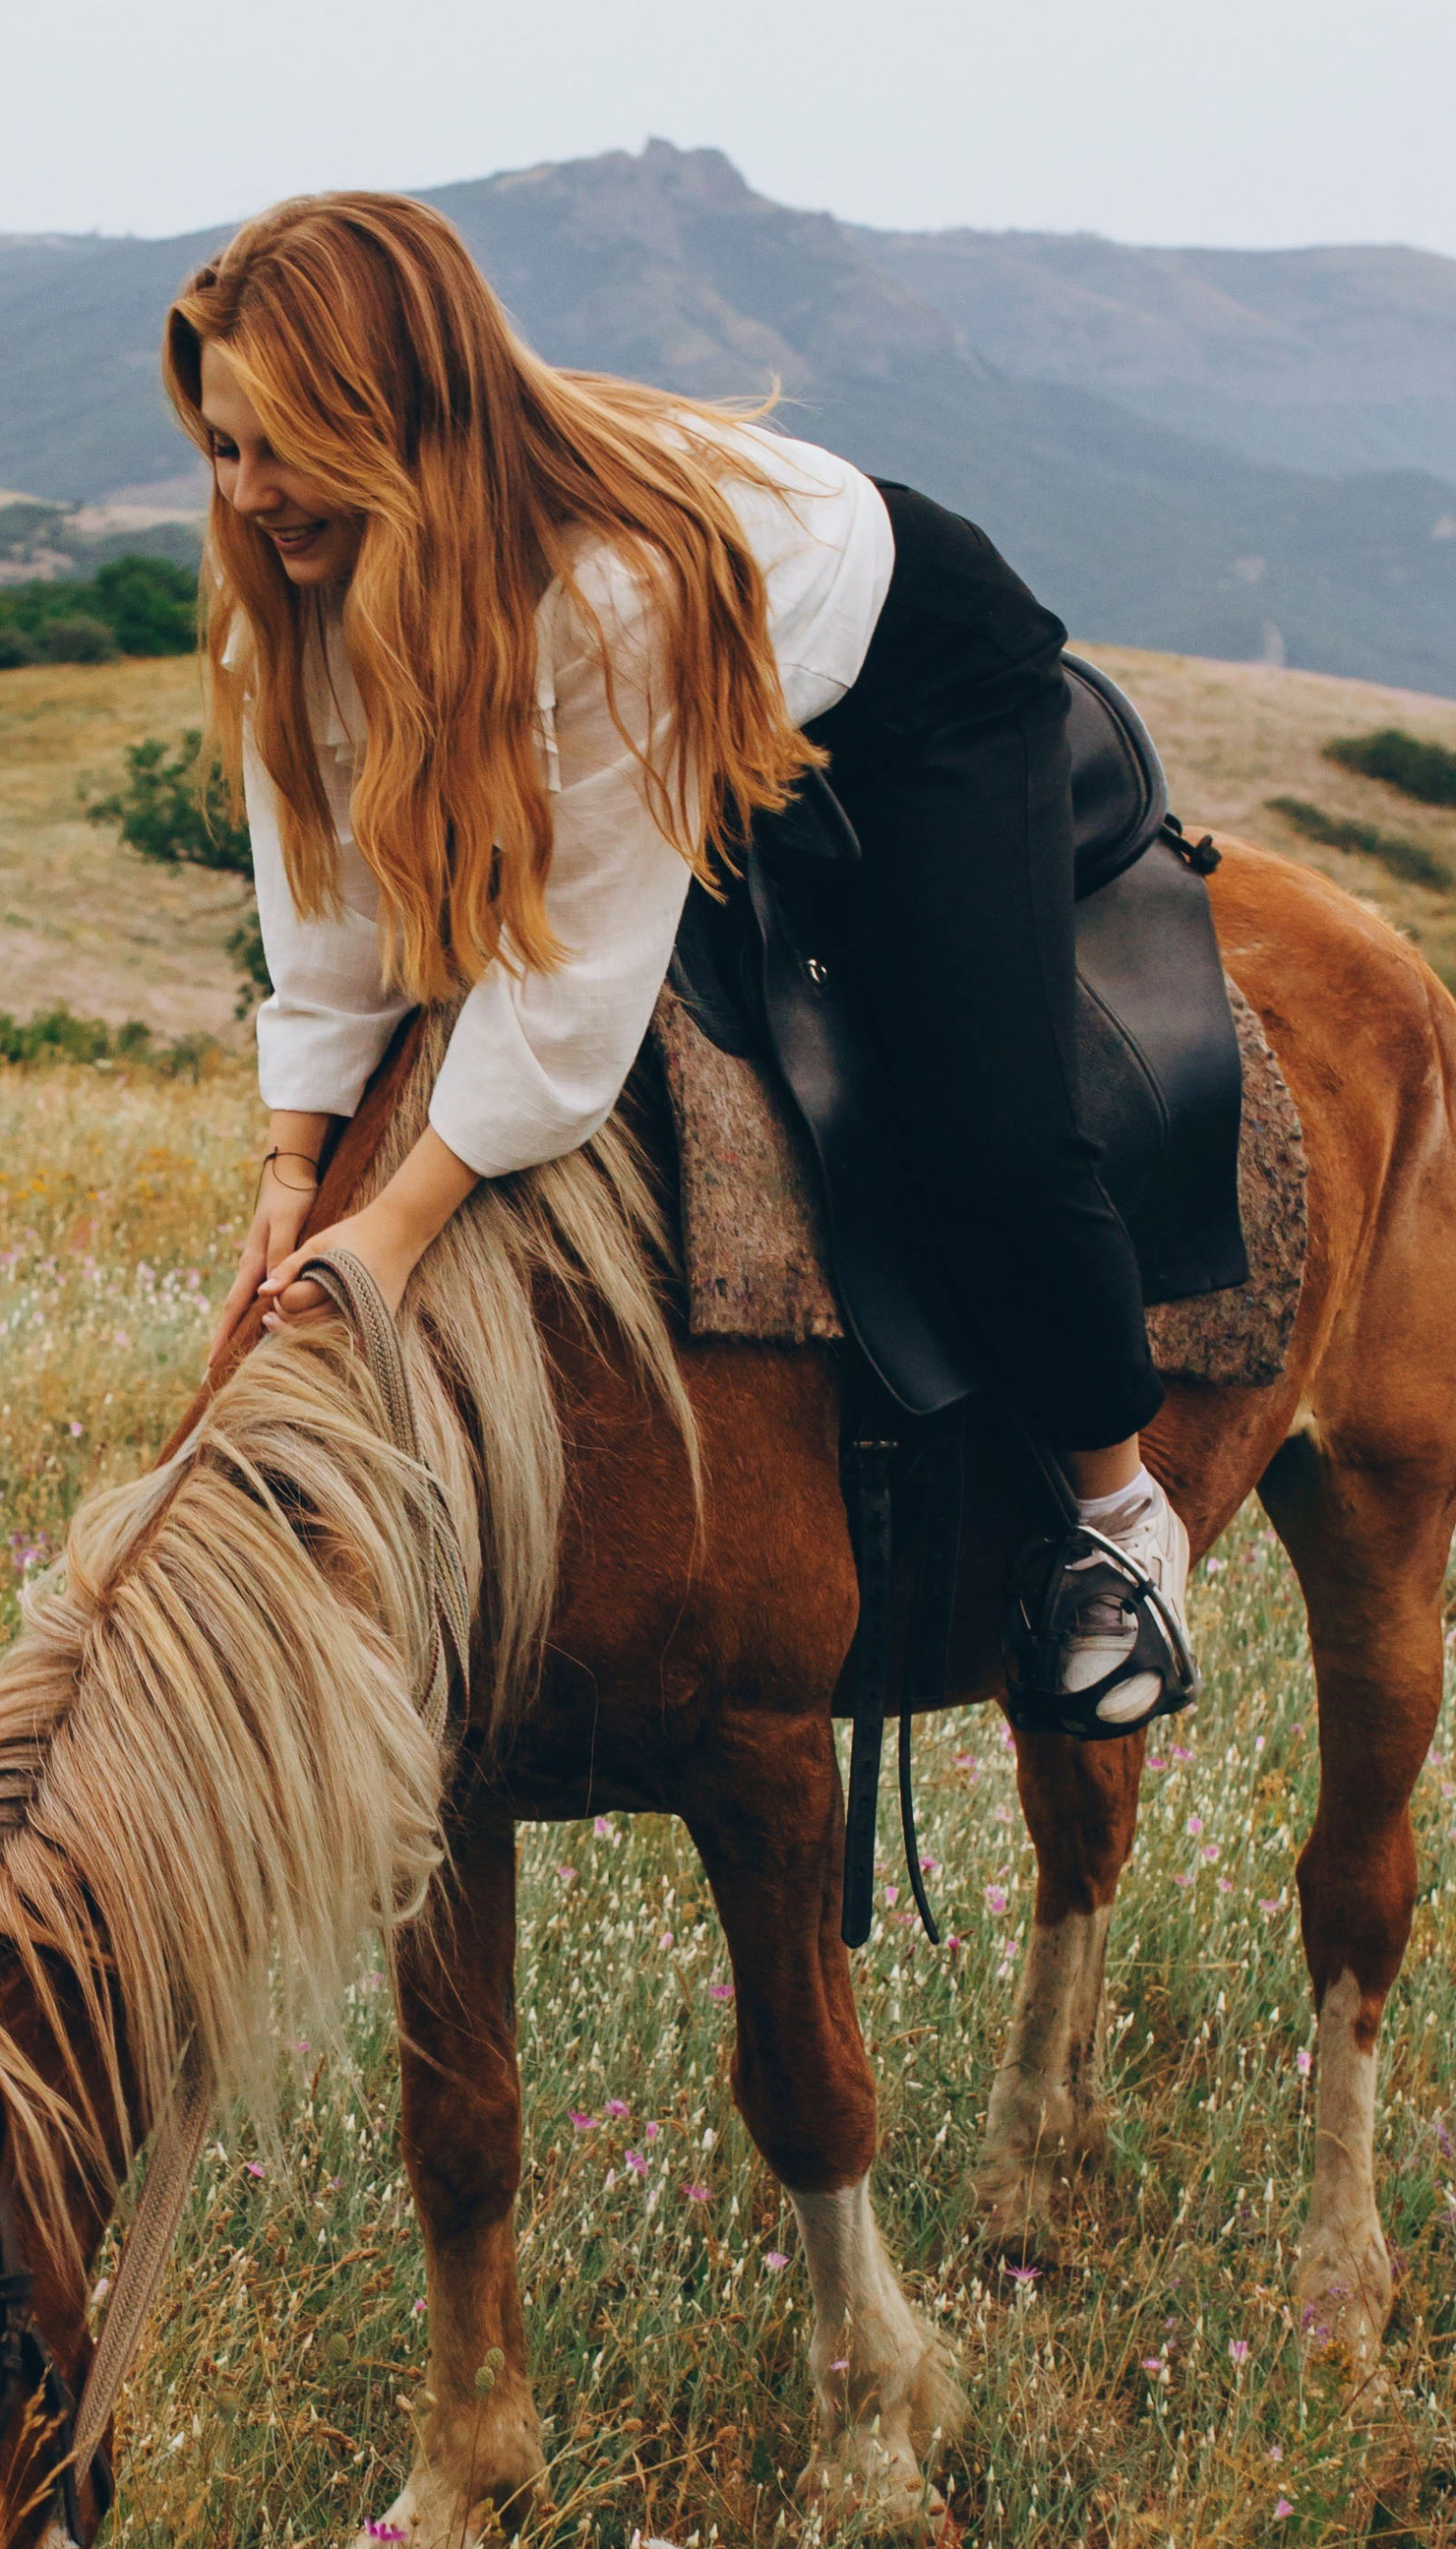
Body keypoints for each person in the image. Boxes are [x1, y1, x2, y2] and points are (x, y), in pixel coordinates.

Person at [173, 193, 1194, 1735]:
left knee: (981, 1119)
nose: (246, 493)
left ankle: (1123, 1521)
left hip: (913, 680)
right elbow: (333, 920)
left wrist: (394, 1232)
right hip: (668, 693)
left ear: (396, 418)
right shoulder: (289, 600)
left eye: (283, 444)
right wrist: (291, 1167)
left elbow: (573, 993)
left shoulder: (607, 590)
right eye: (220, 446)